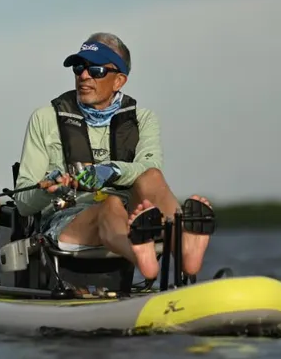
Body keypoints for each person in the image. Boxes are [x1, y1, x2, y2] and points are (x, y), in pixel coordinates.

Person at [13, 32, 214, 281]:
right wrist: (50, 188)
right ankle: (142, 254)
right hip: (69, 220)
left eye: (96, 70)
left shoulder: (144, 119)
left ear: (119, 81)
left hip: (132, 212)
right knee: (109, 206)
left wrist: (112, 171)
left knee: (151, 176)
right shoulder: (44, 118)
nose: (84, 76)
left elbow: (149, 165)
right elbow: (22, 202)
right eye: (79, 68)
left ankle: (184, 247)